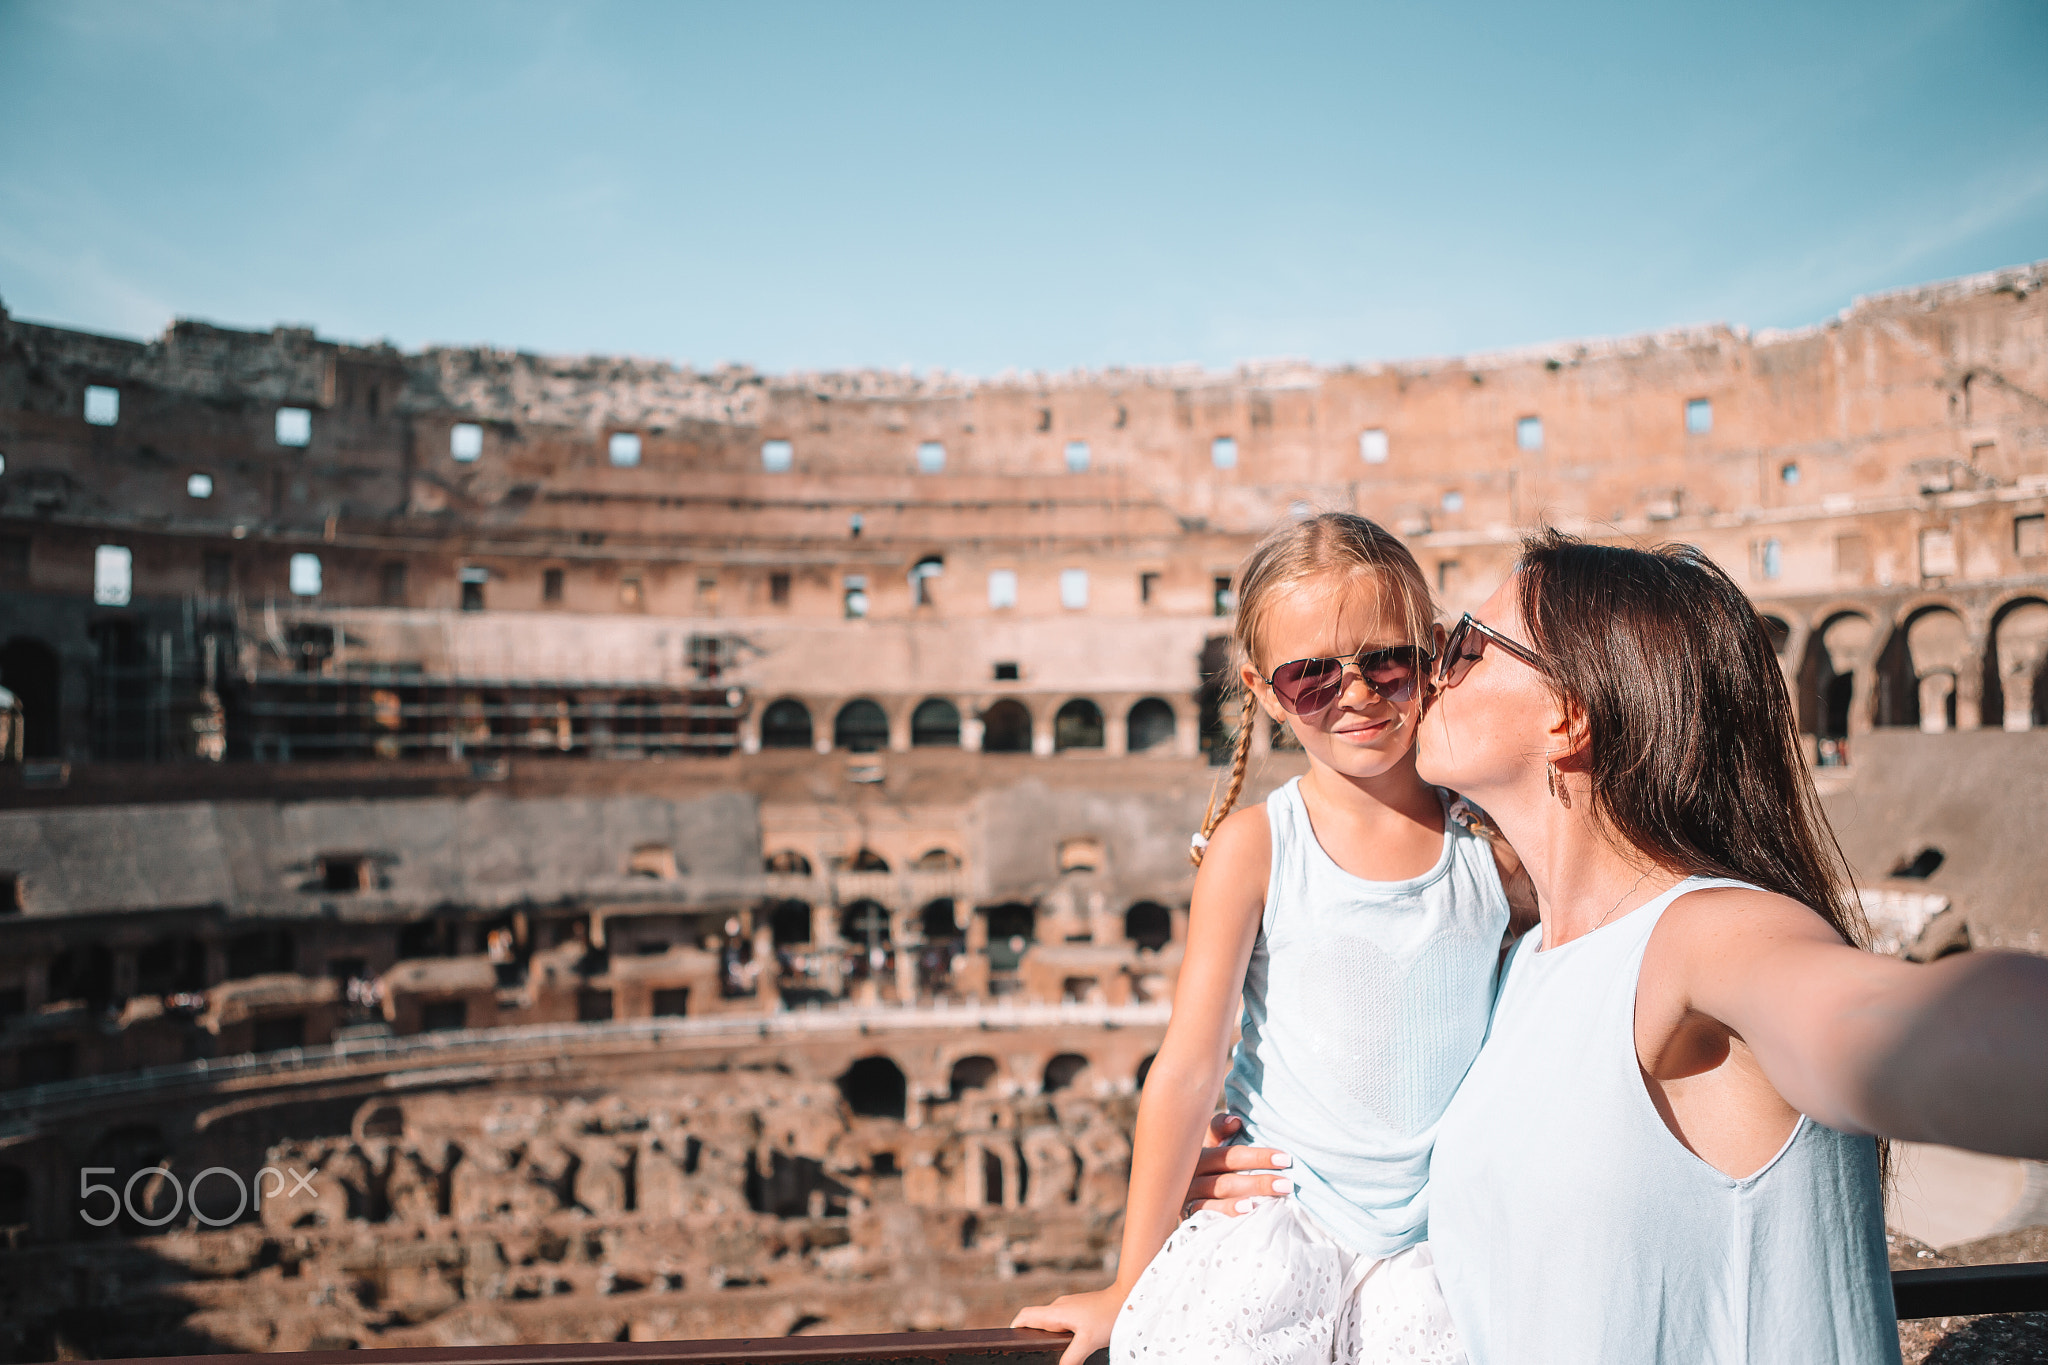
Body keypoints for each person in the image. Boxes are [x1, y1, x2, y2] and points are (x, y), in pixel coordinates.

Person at [1181, 530, 2048, 1364]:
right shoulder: (1521, 968)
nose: (1424, 671)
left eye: (1466, 648)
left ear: (1566, 715)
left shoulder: (1706, 933)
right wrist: (1267, 1181)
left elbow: (1884, 1022)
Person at [1014, 513, 1531, 1365]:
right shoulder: (1254, 847)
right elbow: (1188, 1063)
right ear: (1263, 691)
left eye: (1386, 660)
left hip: (1442, 1237)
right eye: (1312, 677)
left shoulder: (1493, 846)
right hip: (1285, 1216)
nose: (1357, 693)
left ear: (1433, 652)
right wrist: (1126, 1282)